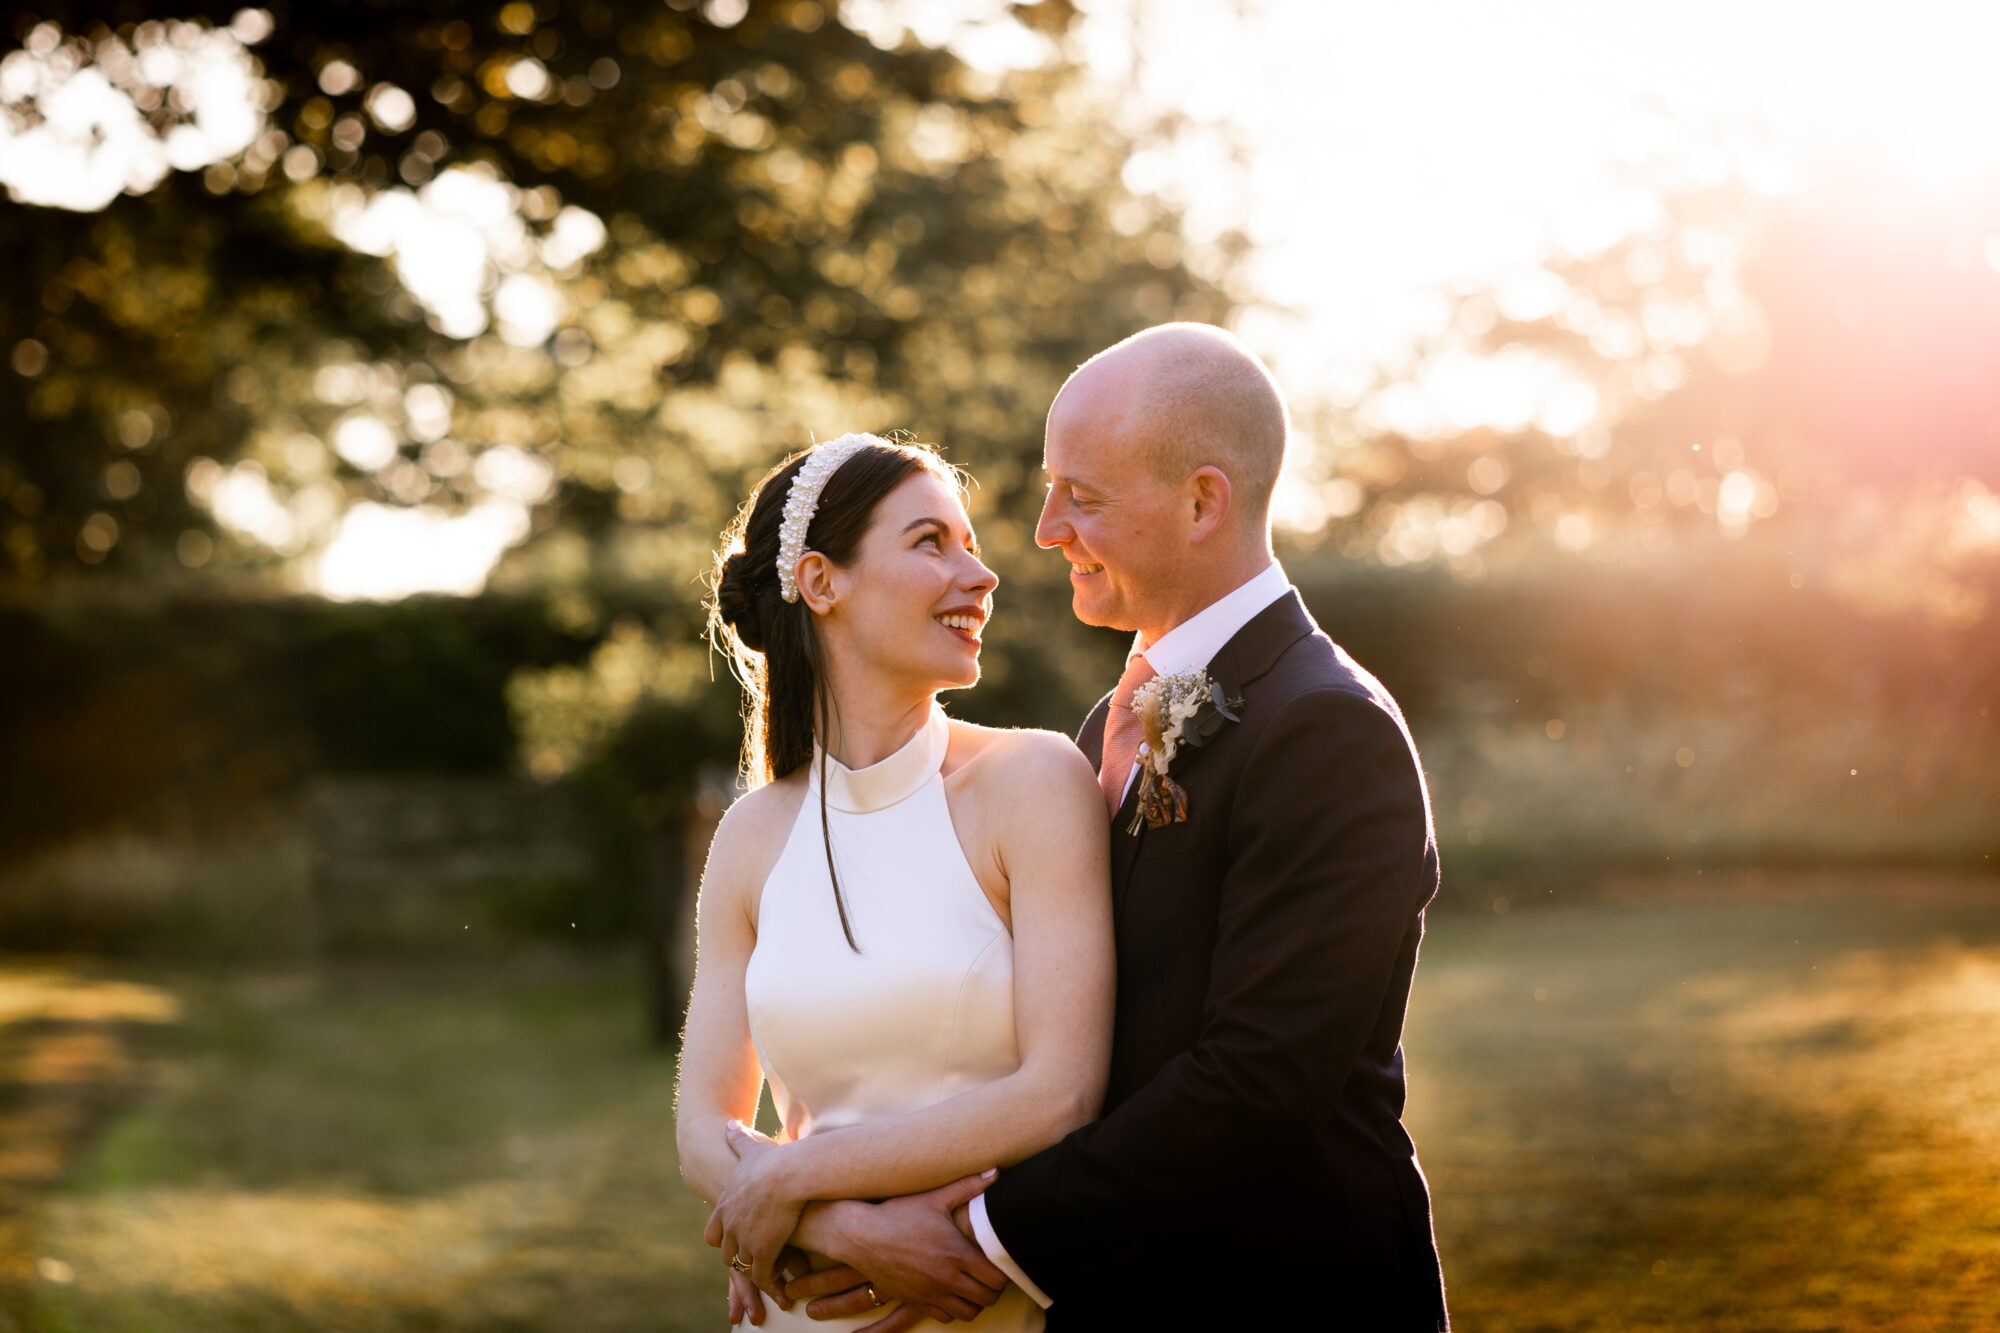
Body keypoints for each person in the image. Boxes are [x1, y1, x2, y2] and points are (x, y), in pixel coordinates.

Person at [780, 325, 1450, 1331]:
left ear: (1200, 501)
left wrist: (969, 1237)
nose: (1045, 530)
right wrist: (832, 1206)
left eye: (1080, 497)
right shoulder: (1109, 722)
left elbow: (1256, 1083)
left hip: (1286, 1291)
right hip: (1116, 1293)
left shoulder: (1324, 726)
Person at [675, 433, 1115, 1330]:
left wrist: (793, 1178)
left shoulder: (1033, 782)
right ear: (822, 581)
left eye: (971, 543)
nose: (982, 575)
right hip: (808, 1308)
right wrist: (844, 1233)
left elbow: (1061, 1091)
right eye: (930, 542)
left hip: (979, 1303)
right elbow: (701, 1132)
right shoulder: (750, 837)